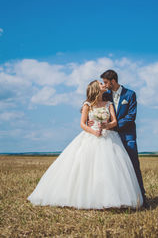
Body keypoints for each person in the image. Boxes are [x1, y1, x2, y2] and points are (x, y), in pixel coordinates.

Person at [27, 80, 143, 210]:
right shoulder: (87, 105)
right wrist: (93, 131)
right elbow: (82, 124)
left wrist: (107, 125)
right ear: (95, 88)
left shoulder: (109, 104)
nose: (104, 84)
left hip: (108, 136)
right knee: (86, 168)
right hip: (91, 135)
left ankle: (112, 198)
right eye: (100, 83)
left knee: (109, 168)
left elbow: (114, 121)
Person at [88, 70, 148, 208]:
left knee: (133, 166)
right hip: (110, 138)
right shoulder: (106, 94)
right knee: (114, 168)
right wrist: (91, 122)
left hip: (127, 136)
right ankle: (119, 198)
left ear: (113, 81)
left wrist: (112, 125)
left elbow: (131, 116)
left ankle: (142, 198)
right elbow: (92, 106)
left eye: (105, 82)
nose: (104, 84)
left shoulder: (130, 94)